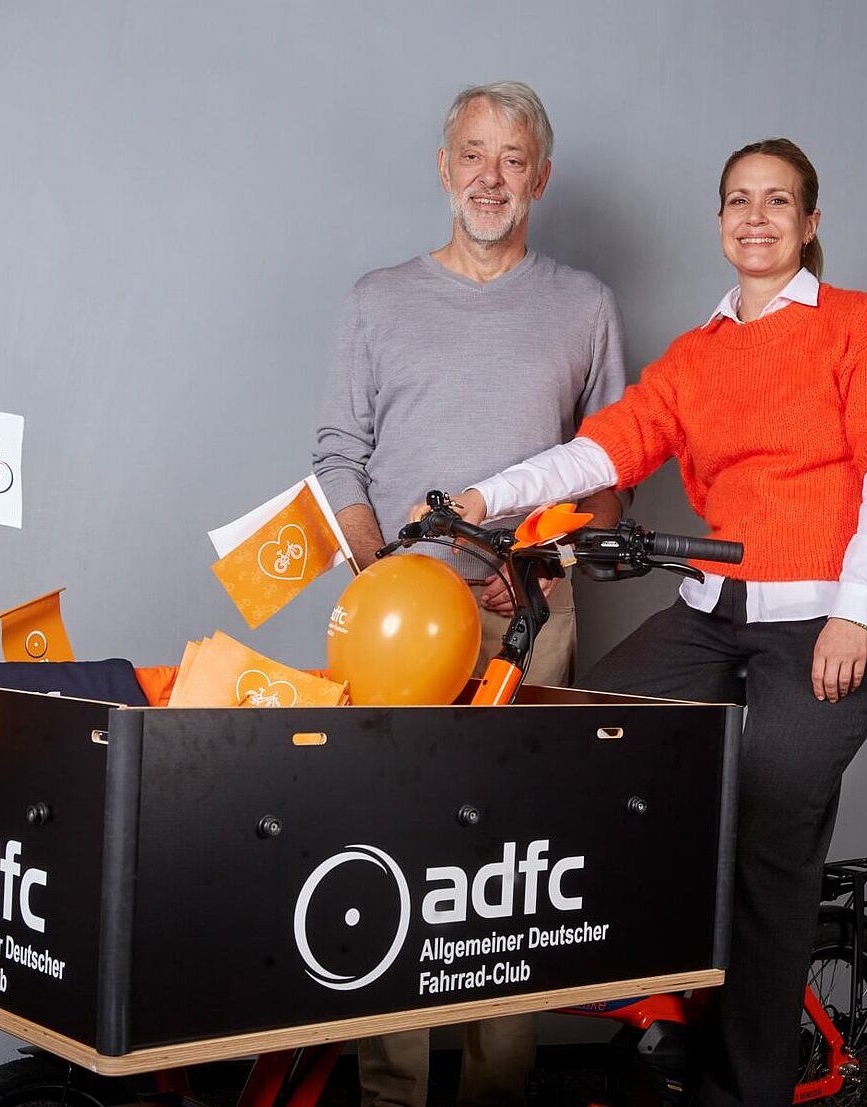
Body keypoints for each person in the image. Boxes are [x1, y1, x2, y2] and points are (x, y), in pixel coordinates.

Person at [420, 138, 867, 1107]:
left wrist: (856, 616)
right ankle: (660, 1002)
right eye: (738, 201)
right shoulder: (695, 357)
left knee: (767, 834)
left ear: (810, 223)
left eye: (777, 202)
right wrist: (479, 496)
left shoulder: (849, 327)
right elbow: (596, 452)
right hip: (712, 616)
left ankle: (741, 1089)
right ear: (718, 224)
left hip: (821, 625)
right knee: (576, 735)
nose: (755, 218)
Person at [313, 82, 626, 1107]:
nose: (490, 177)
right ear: (443, 167)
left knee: (510, 864)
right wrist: (381, 570)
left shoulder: (582, 305)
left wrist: (542, 557)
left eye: (512, 157)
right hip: (398, 614)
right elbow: (337, 458)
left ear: (538, 175)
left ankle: (499, 1090)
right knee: (391, 848)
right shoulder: (375, 299)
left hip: (527, 614)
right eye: (472, 154)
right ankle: (390, 1093)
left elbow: (609, 468)